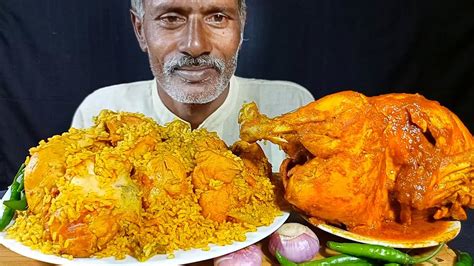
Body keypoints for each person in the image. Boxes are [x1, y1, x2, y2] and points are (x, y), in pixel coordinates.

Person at [72, 0, 314, 170]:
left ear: (241, 26)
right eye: (171, 18)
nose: (196, 45)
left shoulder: (293, 108)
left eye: (217, 17)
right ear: (140, 30)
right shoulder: (100, 113)